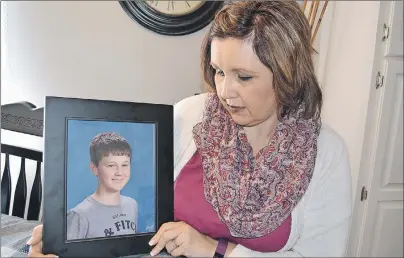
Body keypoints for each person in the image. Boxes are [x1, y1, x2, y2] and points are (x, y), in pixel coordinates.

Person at [27, 1, 352, 257]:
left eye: (244, 76)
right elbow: (130, 208)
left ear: (287, 75)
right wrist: (66, 236)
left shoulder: (326, 154)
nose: (224, 91)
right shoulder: (190, 116)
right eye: (218, 71)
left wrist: (214, 250)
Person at [66, 132, 138, 240]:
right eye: (111, 165)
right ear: (94, 169)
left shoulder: (132, 205)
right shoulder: (79, 215)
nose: (119, 172)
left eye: (124, 165)